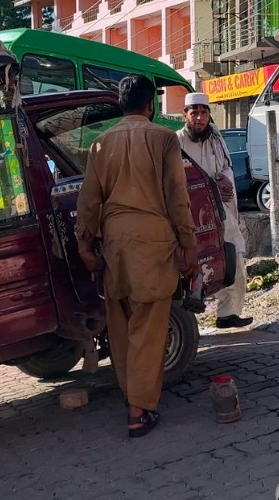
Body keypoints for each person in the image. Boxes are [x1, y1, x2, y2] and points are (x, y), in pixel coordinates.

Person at [76, 75, 198, 439]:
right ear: (151, 106)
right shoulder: (163, 139)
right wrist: (188, 244)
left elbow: (88, 200)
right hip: (154, 243)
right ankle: (138, 410)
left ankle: (132, 397)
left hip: (115, 245)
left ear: (121, 104)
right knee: (148, 330)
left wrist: (85, 246)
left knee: (122, 328)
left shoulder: (100, 144)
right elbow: (178, 196)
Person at [176, 92, 253, 329]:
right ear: (185, 115)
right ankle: (185, 318)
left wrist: (223, 180)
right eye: (194, 113)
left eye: (203, 113)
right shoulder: (175, 141)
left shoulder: (216, 138)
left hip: (221, 211)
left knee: (234, 259)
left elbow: (227, 168)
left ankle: (227, 314)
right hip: (192, 215)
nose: (199, 118)